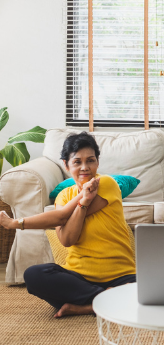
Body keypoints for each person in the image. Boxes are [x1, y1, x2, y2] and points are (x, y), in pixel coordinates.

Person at [0, 132, 136, 318]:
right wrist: (83, 202)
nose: (85, 167)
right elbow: (67, 240)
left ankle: (87, 306)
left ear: (97, 162)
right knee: (34, 275)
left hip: (121, 276)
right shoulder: (63, 196)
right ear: (66, 165)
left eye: (90, 160)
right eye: (77, 162)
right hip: (79, 279)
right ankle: (109, 300)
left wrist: (16, 223)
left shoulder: (106, 183)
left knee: (158, 290)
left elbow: (62, 216)